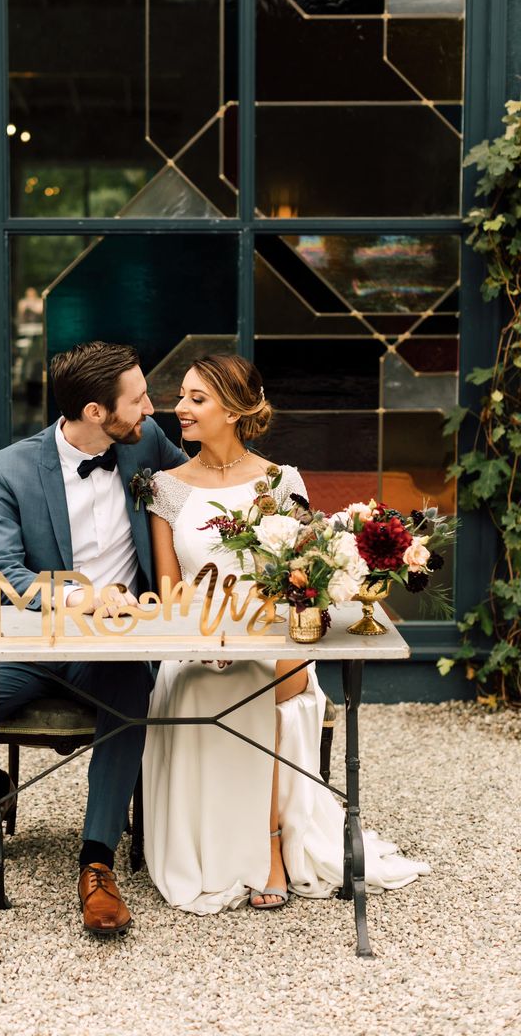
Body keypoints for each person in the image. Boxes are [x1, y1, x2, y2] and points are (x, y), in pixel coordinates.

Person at [0, 341, 186, 935]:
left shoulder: (148, 445)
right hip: (33, 643)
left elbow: (196, 497)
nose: (151, 408)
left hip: (118, 645)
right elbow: (6, 571)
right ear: (94, 412)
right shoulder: (7, 470)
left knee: (129, 696)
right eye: (138, 400)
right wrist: (84, 596)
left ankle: (97, 864)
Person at [143, 354, 430, 914]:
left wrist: (268, 640)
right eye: (182, 396)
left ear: (234, 410)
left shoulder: (282, 482)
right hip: (197, 643)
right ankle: (225, 849)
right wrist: (205, 644)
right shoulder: (166, 488)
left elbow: (303, 581)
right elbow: (169, 596)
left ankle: (272, 845)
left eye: (196, 399)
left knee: (263, 682)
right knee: (207, 684)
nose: (179, 408)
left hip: (276, 640)